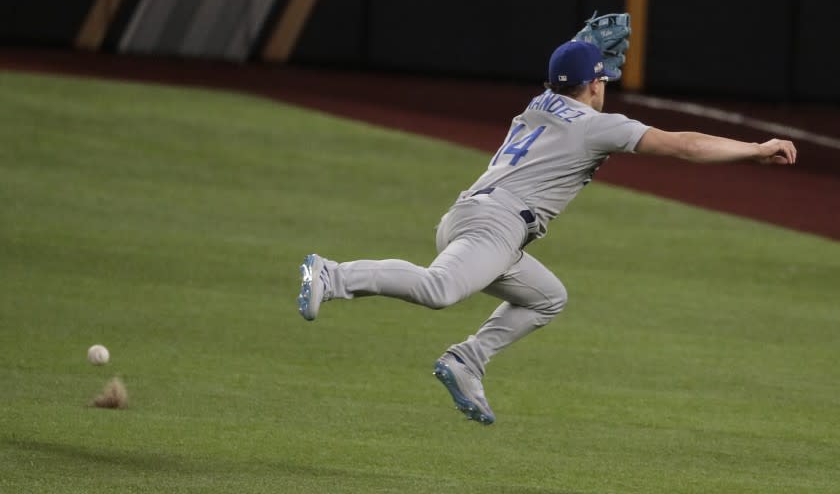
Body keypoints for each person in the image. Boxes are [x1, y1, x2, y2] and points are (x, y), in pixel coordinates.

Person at [296, 40, 797, 425]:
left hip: (477, 219)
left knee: (546, 298)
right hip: (495, 224)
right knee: (439, 289)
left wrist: (580, 50)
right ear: (597, 85)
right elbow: (684, 145)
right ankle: (332, 275)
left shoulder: (538, 102)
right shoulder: (595, 124)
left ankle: (468, 360)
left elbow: (569, 74)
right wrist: (754, 149)